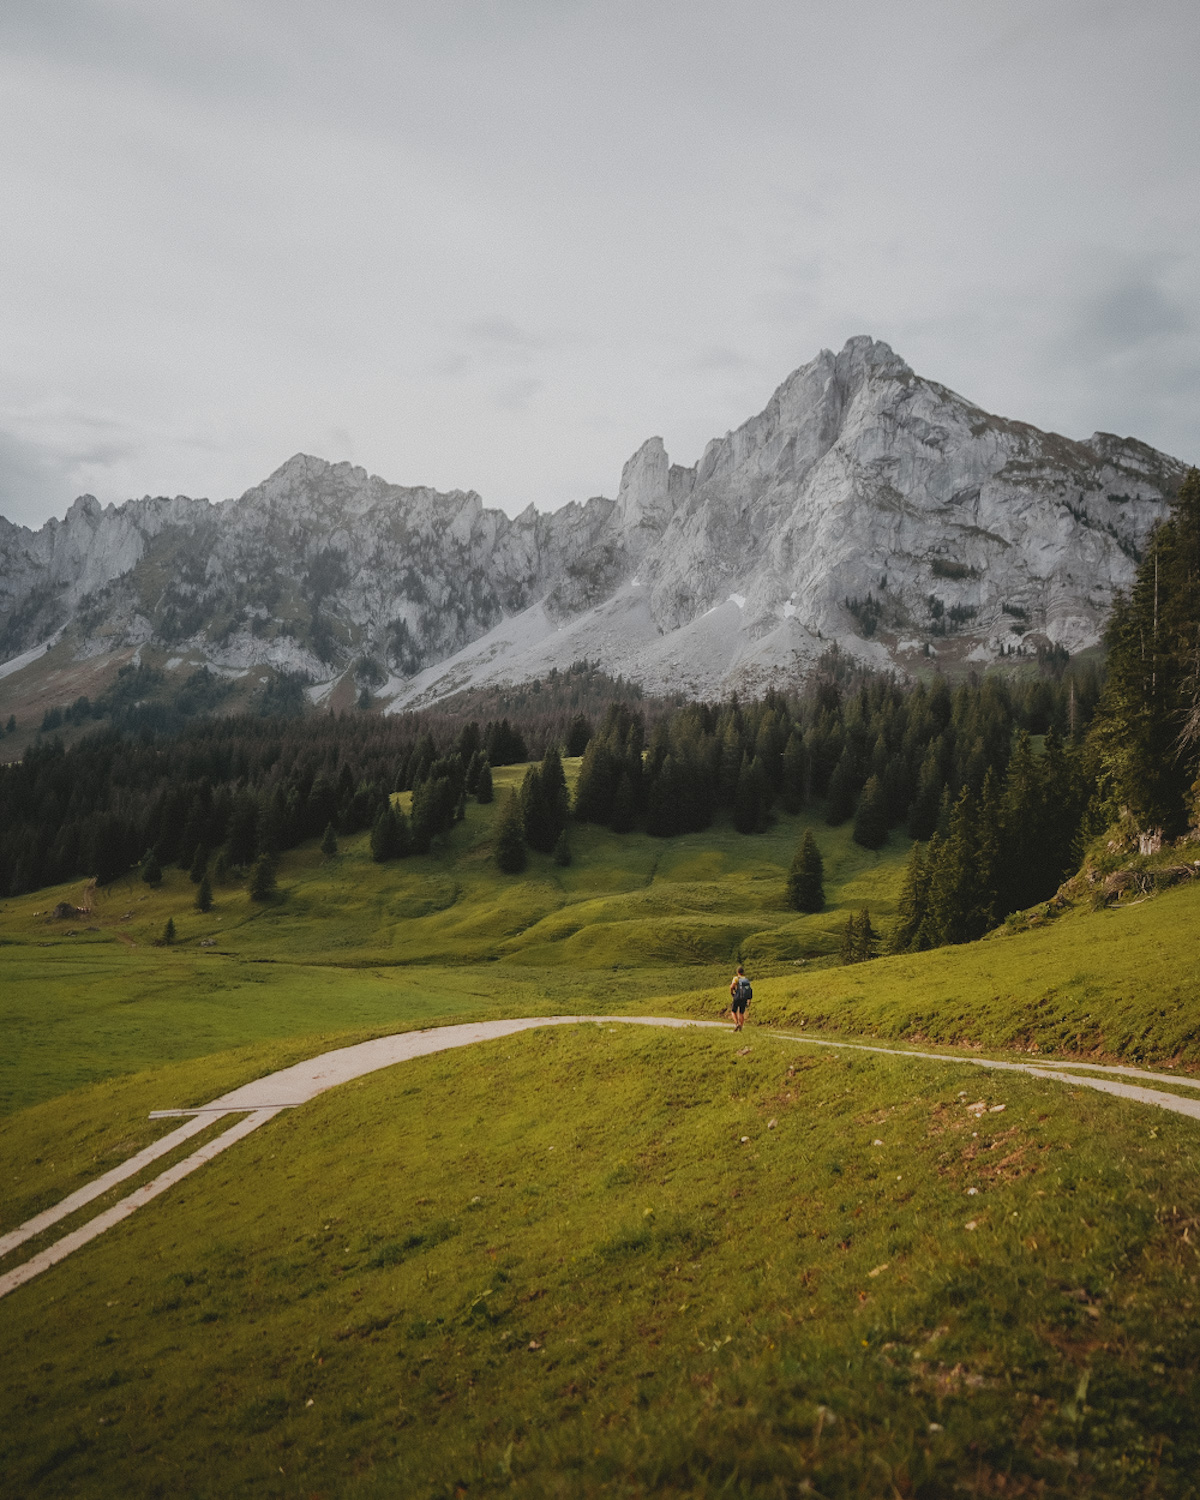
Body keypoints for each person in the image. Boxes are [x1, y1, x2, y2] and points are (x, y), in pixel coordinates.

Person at [729, 964, 751, 1031]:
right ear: (743, 972)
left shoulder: (736, 978)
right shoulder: (746, 980)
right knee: (741, 1013)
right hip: (744, 998)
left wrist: (732, 992)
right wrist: (749, 999)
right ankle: (741, 1026)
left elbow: (732, 986)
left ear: (737, 972)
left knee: (733, 1011)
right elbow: (749, 990)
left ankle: (737, 1024)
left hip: (737, 996)